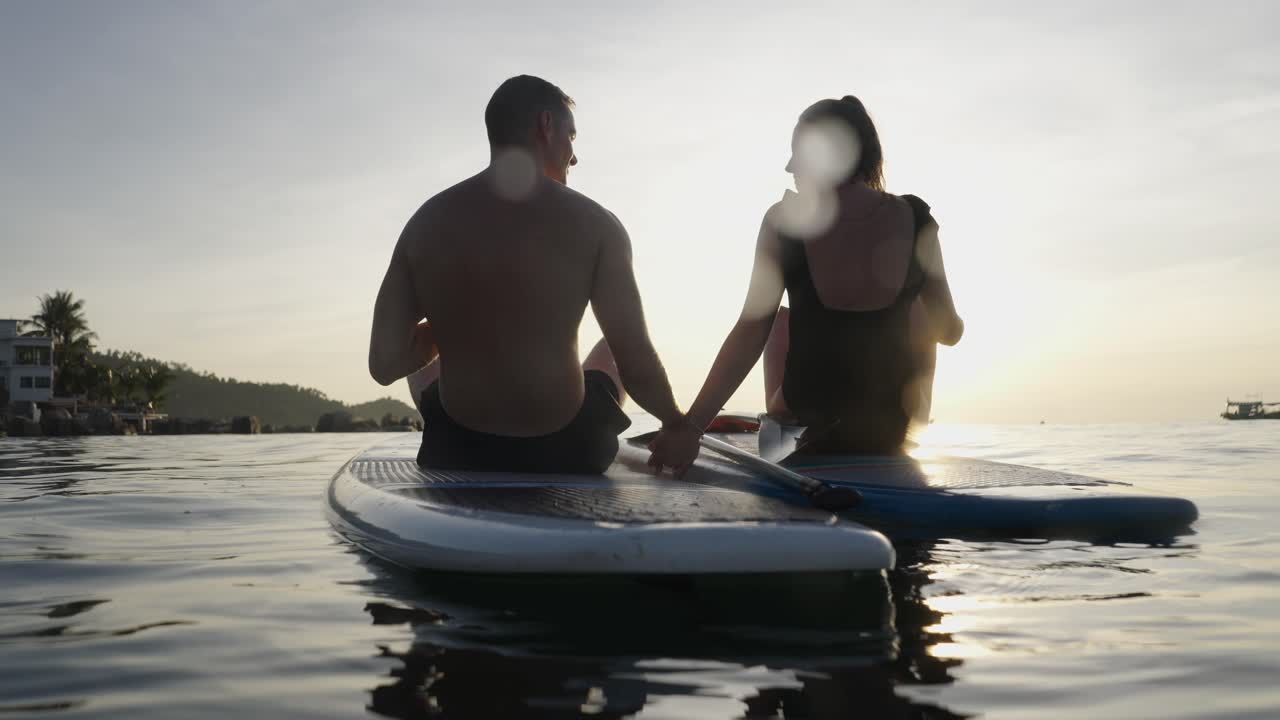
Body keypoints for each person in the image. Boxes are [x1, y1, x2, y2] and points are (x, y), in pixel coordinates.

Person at [369, 75, 684, 474]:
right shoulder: (597, 224)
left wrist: (455, 326)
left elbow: (384, 364)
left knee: (433, 359)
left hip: (456, 448)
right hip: (570, 449)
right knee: (612, 344)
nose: (574, 157)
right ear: (545, 126)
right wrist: (677, 424)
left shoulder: (424, 224)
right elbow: (635, 363)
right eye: (571, 136)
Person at [648, 95, 963, 475]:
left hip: (810, 429)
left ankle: (775, 411)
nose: (789, 166)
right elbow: (950, 332)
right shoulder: (916, 217)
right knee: (917, 313)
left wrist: (692, 428)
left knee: (776, 321)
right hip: (887, 430)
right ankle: (916, 418)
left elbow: (750, 333)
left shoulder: (784, 221)